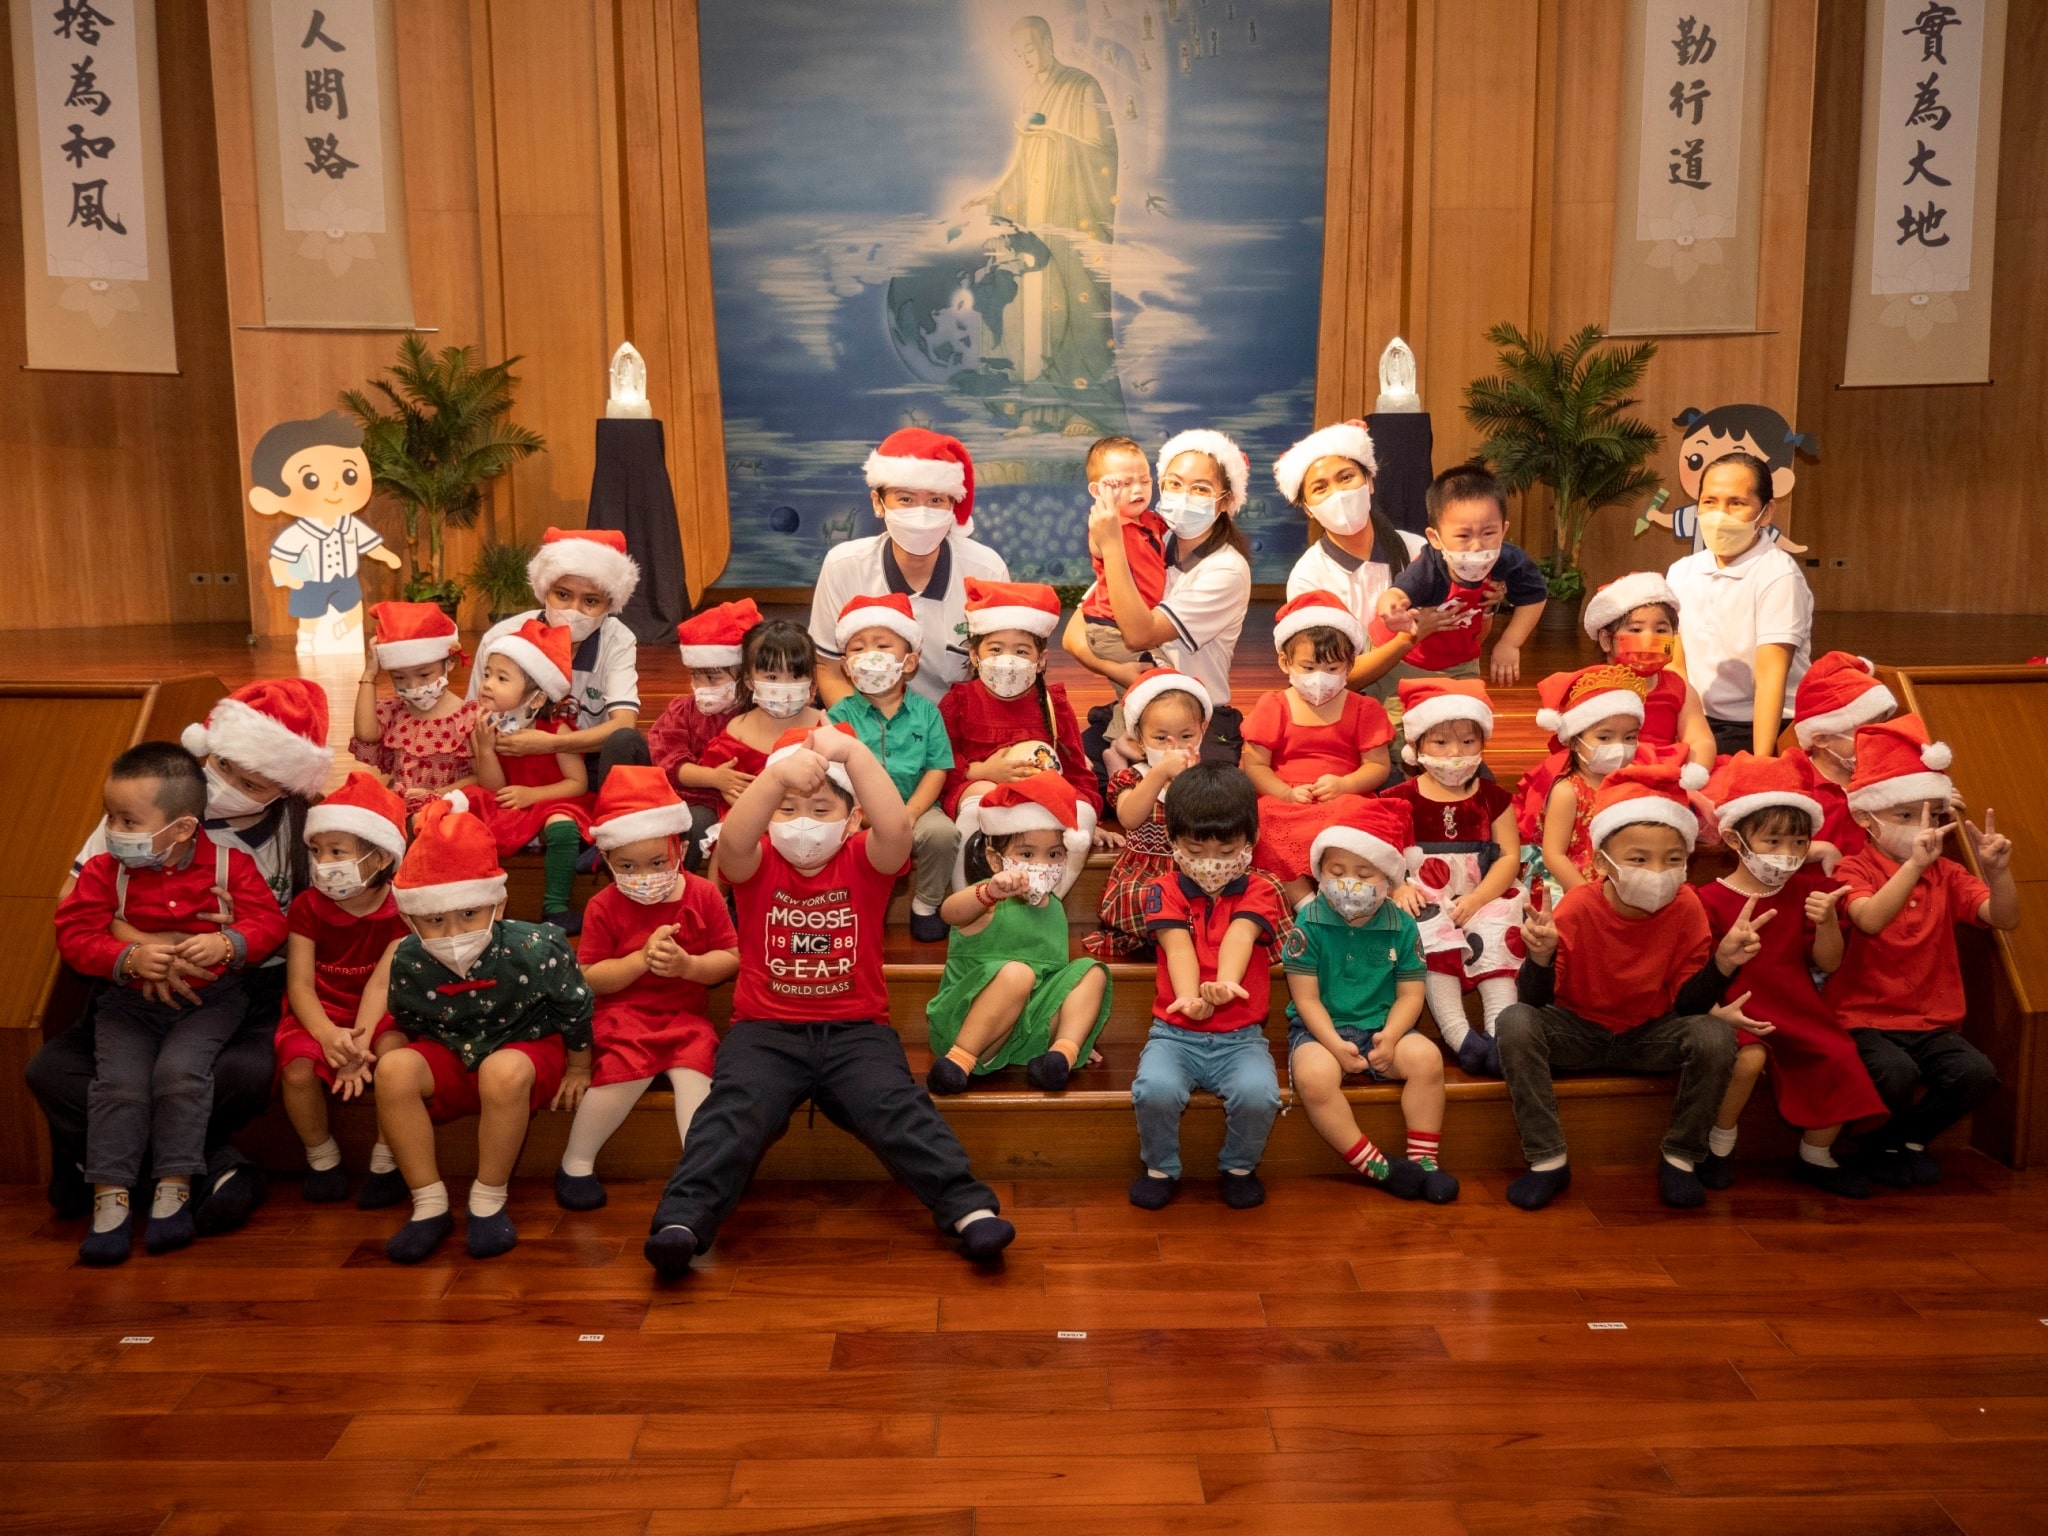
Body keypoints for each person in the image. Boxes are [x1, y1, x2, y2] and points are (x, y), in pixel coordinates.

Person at [645, 725, 1016, 1277]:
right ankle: (683, 1218)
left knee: (900, 1111)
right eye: (787, 808)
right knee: (732, 1114)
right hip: (764, 1033)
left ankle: (968, 1208)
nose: (802, 822)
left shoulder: (866, 859)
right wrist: (775, 778)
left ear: (851, 820)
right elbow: (734, 843)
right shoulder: (757, 863)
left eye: (820, 808)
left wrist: (853, 752)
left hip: (856, 1032)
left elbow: (895, 824)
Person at [30, 678, 334, 1234]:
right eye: (223, 768)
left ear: (287, 786)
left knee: (239, 1072)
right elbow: (73, 907)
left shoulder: (297, 827)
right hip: (130, 985)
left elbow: (312, 922)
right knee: (52, 1070)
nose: (230, 789)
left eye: (252, 783)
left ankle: (114, 1171)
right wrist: (144, 947)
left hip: (242, 988)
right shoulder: (146, 813)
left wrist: (234, 939)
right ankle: (205, 1170)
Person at [56, 743, 289, 1263]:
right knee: (118, 1086)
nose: (114, 830)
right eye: (110, 816)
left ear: (182, 828)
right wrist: (129, 957)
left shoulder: (231, 865)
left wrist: (228, 944)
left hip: (211, 1002)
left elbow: (270, 923)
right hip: (127, 1007)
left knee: (181, 1077)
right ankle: (110, 1201)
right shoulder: (103, 871)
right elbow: (73, 933)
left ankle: (173, 1189)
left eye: (128, 820)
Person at [1498, 759, 1750, 1212]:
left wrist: (1723, 965)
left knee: (1715, 1035)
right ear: (1601, 862)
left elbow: (1690, 1005)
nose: (1657, 871)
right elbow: (1535, 1003)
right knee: (1514, 1021)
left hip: (1650, 1033)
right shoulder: (1577, 907)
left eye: (1673, 860)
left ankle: (1680, 1157)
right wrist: (1540, 957)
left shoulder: (1688, 906)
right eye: (1638, 859)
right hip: (1578, 1030)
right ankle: (1547, 1159)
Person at [366, 796, 594, 1262]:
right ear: (410, 919)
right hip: (451, 1052)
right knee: (393, 1070)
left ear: (499, 902)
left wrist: (578, 1066)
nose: (453, 931)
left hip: (527, 1050)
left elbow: (575, 1005)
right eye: (434, 919)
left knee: (503, 1070)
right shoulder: (407, 959)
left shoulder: (537, 945)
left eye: (469, 913)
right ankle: (428, 1205)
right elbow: (406, 1022)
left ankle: (488, 1201)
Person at [1834, 714, 2018, 1186]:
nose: (1923, 827)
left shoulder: (1948, 873)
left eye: (1933, 815)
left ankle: (1905, 1139)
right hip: (1863, 1018)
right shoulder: (1854, 868)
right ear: (1865, 818)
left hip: (1931, 1019)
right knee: (1893, 1073)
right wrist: (1914, 867)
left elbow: (2004, 917)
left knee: (1977, 1075)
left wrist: (1996, 872)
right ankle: (1876, 1143)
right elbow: (1870, 919)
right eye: (1904, 814)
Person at [1693, 754, 1886, 1197]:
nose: (1788, 854)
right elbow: (1698, 969)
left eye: (1798, 843)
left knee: (1836, 1051)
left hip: (1795, 1003)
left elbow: (1828, 963)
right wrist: (1718, 1008)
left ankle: (1815, 1156)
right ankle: (1719, 1146)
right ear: (1733, 839)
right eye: (1773, 841)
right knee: (1749, 1059)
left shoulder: (1810, 892)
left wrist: (1827, 923)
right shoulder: (1707, 898)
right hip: (1737, 1004)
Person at [555, 767, 738, 1212]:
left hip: (686, 1020)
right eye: (628, 866)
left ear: (681, 849)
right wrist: (638, 963)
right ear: (608, 863)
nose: (644, 875)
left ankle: (699, 1179)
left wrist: (688, 966)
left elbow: (730, 960)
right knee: (622, 1072)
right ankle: (575, 1162)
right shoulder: (603, 905)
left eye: (657, 863)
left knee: (698, 1076)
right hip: (624, 1018)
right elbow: (591, 976)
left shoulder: (704, 895)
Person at [1128, 763, 1288, 1212]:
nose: (1211, 860)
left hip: (1241, 1038)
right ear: (1173, 842)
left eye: (1226, 847)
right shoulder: (1161, 888)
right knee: (1153, 1090)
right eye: (1195, 847)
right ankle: (1160, 1167)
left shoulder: (1262, 888)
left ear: (1250, 843)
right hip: (1174, 1033)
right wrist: (1191, 999)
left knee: (1260, 1095)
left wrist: (1224, 985)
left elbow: (1241, 934)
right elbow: (1176, 946)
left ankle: (1238, 1167)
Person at [1283, 800, 1454, 1202]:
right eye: (1336, 872)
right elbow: (1305, 999)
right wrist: (1332, 1044)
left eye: (1364, 874)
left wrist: (1392, 1037)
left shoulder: (1402, 924)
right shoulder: (1309, 921)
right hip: (1320, 1032)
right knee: (1313, 1077)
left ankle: (1424, 1161)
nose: (1348, 884)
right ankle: (1376, 1165)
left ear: (1390, 880)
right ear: (1320, 874)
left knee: (1428, 1060)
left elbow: (1411, 994)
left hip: (1384, 1029)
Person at [275, 772, 412, 1206]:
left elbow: (380, 984)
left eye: (337, 851)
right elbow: (299, 983)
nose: (323, 862)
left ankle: (387, 1158)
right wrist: (326, 1034)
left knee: (395, 1059)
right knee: (295, 1070)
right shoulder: (306, 907)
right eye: (316, 851)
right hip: (319, 1012)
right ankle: (322, 1158)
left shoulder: (401, 909)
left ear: (381, 858)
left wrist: (360, 1045)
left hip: (380, 1011)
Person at [928, 773, 1111, 1094]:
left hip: (1024, 1034)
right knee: (1017, 974)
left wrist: (1073, 1031)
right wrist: (988, 891)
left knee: (1091, 972)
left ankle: (1060, 1056)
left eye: (1054, 855)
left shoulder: (1054, 908)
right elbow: (949, 913)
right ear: (995, 860)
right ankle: (957, 1063)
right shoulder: (987, 899)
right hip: (968, 1025)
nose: (1042, 864)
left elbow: (1055, 981)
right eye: (1027, 854)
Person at [1379, 679, 1523, 1076]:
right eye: (1440, 743)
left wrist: (1479, 899)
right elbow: (1383, 854)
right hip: (1426, 897)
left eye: (1467, 742)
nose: (1455, 753)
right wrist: (1399, 885)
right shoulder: (1399, 799)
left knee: (1497, 933)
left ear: (1482, 744)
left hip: (1483, 893)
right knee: (1428, 938)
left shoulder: (1494, 798)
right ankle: (1459, 1035)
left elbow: (1510, 855)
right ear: (1417, 747)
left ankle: (1500, 1031)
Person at [938, 582, 1102, 925]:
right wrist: (982, 771)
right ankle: (971, 905)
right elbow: (939, 767)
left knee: (1082, 811)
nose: (1007, 661)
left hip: (1043, 801)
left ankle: (1044, 905)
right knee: (979, 801)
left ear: (1041, 660)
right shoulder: (959, 701)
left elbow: (1079, 775)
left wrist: (1087, 813)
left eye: (1021, 651)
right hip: (980, 792)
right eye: (995, 649)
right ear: (974, 655)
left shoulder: (1053, 705)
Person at [809, 428, 1010, 706]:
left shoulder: (987, 571)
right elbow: (829, 670)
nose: (922, 512)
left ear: (953, 505)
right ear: (878, 503)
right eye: (906, 499)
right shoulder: (844, 566)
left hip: (955, 726)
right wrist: (869, 732)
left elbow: (998, 675)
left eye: (936, 500)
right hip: (866, 720)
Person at [1087, 429, 1254, 757]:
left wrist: (1111, 546)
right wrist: (1120, 672)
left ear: (1226, 502)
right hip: (1140, 706)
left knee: (1198, 799)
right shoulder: (1148, 539)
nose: (1184, 495)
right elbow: (1078, 634)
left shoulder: (1226, 569)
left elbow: (1138, 635)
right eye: (1174, 483)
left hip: (1199, 716)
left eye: (1201, 488)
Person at [469, 526, 648, 794]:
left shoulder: (618, 640)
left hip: (585, 761)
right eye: (562, 595)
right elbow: (474, 713)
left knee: (626, 741)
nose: (573, 611)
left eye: (590, 600)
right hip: (514, 765)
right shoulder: (502, 637)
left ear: (609, 605)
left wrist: (551, 744)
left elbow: (623, 723)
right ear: (544, 591)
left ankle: (614, 821)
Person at [1240, 590, 1393, 901]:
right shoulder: (1275, 706)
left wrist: (1345, 784)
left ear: (1351, 663)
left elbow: (1378, 766)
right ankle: (1303, 903)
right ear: (1285, 662)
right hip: (1284, 800)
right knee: (1264, 824)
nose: (1320, 678)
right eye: (1308, 668)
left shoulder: (1364, 709)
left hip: (1345, 796)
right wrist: (1284, 792)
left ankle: (1341, 893)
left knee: (1358, 822)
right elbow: (1254, 764)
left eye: (1333, 668)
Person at [826, 592, 959, 943]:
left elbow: (936, 769)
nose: (870, 656)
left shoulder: (928, 713)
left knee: (943, 835)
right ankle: (860, 910)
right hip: (860, 813)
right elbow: (836, 775)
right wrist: (869, 815)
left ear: (910, 662)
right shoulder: (839, 716)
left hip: (917, 808)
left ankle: (926, 906)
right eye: (857, 648)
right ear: (845, 664)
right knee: (840, 840)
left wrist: (911, 813)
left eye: (883, 645)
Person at [1373, 464, 1548, 725]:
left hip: (1461, 661)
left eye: (1489, 533)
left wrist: (1510, 643)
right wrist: (1391, 611)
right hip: (1406, 659)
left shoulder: (1510, 559)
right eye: (1463, 536)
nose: (1477, 545)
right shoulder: (1430, 567)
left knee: (1469, 722)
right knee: (1403, 730)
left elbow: (1534, 596)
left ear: (1504, 529)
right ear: (1435, 538)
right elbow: (1396, 593)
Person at [1666, 452, 1814, 758]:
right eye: (1709, 502)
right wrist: (1679, 731)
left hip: (1765, 724)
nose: (1720, 514)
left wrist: (1761, 762)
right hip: (1700, 720)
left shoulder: (1778, 575)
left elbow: (1770, 675)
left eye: (1737, 503)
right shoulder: (1681, 571)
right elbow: (1676, 665)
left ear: (1767, 511)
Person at [1274, 420, 1432, 696]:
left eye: (1346, 477)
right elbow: (1328, 676)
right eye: (1320, 487)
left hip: (1423, 689)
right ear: (1308, 509)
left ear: (1370, 481)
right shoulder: (1308, 576)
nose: (1338, 493)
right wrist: (1408, 638)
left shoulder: (1417, 550)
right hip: (1348, 703)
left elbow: (1463, 640)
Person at [466, 619, 594, 930]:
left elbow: (578, 783)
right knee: (467, 818)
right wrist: (485, 748)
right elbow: (492, 787)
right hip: (509, 804)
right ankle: (480, 903)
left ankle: (555, 906)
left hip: (550, 800)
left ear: (536, 698)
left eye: (501, 678)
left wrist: (532, 795)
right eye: (487, 674)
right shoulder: (482, 726)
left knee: (562, 827)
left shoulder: (555, 730)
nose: (487, 684)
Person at [248, 411, 404, 653]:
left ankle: (346, 630)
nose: (334, 486)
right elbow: (280, 558)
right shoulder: (300, 533)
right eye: (311, 480)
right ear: (270, 498)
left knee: (353, 608)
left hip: (345, 579)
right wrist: (286, 575)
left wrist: (387, 555)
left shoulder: (350, 525)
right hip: (312, 583)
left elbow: (370, 545)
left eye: (349, 475)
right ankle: (307, 639)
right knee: (310, 614)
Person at [1060, 434, 1167, 777]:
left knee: (1142, 686)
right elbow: (1098, 541)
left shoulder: (1148, 520)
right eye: (1122, 483)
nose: (1137, 489)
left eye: (1145, 480)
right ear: (1098, 491)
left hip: (1134, 625)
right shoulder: (1109, 527)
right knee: (1149, 683)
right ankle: (1119, 744)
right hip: (1111, 630)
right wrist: (1104, 522)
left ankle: (1123, 740)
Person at [1087, 668, 1210, 959]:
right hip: (1146, 874)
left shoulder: (1208, 779)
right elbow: (1129, 818)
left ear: (1202, 732)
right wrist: (1159, 774)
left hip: (1197, 869)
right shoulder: (1132, 778)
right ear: (1138, 741)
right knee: (1150, 897)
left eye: (1186, 736)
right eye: (1161, 738)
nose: (1175, 747)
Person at [1524, 664, 1656, 901]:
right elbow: (1554, 856)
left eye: (1629, 737)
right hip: (1572, 890)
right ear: (1574, 742)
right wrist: (1590, 898)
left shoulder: (1633, 785)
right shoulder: (1568, 791)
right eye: (1604, 737)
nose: (1618, 746)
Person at [647, 598, 760, 871]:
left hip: (731, 806)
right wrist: (714, 778)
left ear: (745, 676)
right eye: (695, 676)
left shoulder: (757, 715)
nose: (700, 687)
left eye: (712, 678)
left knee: (714, 827)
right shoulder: (682, 709)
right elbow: (668, 760)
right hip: (681, 796)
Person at [349, 600, 479, 818]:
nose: (413, 687)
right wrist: (369, 674)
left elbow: (481, 777)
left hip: (450, 808)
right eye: (399, 677)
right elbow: (365, 734)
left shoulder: (467, 718)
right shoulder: (396, 713)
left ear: (450, 662)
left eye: (424, 675)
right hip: (402, 809)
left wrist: (436, 795)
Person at [698, 619, 828, 829]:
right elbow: (733, 793)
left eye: (795, 676)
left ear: (811, 680)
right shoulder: (736, 734)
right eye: (772, 677)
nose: (785, 686)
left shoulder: (824, 728)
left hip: (815, 827)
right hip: (753, 827)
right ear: (749, 681)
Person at [1785, 651, 1899, 869]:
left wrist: (1930, 804)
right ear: (1821, 739)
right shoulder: (1794, 783)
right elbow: (1766, 844)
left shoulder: (1885, 775)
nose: (1874, 738)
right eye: (1864, 730)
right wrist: (1817, 851)